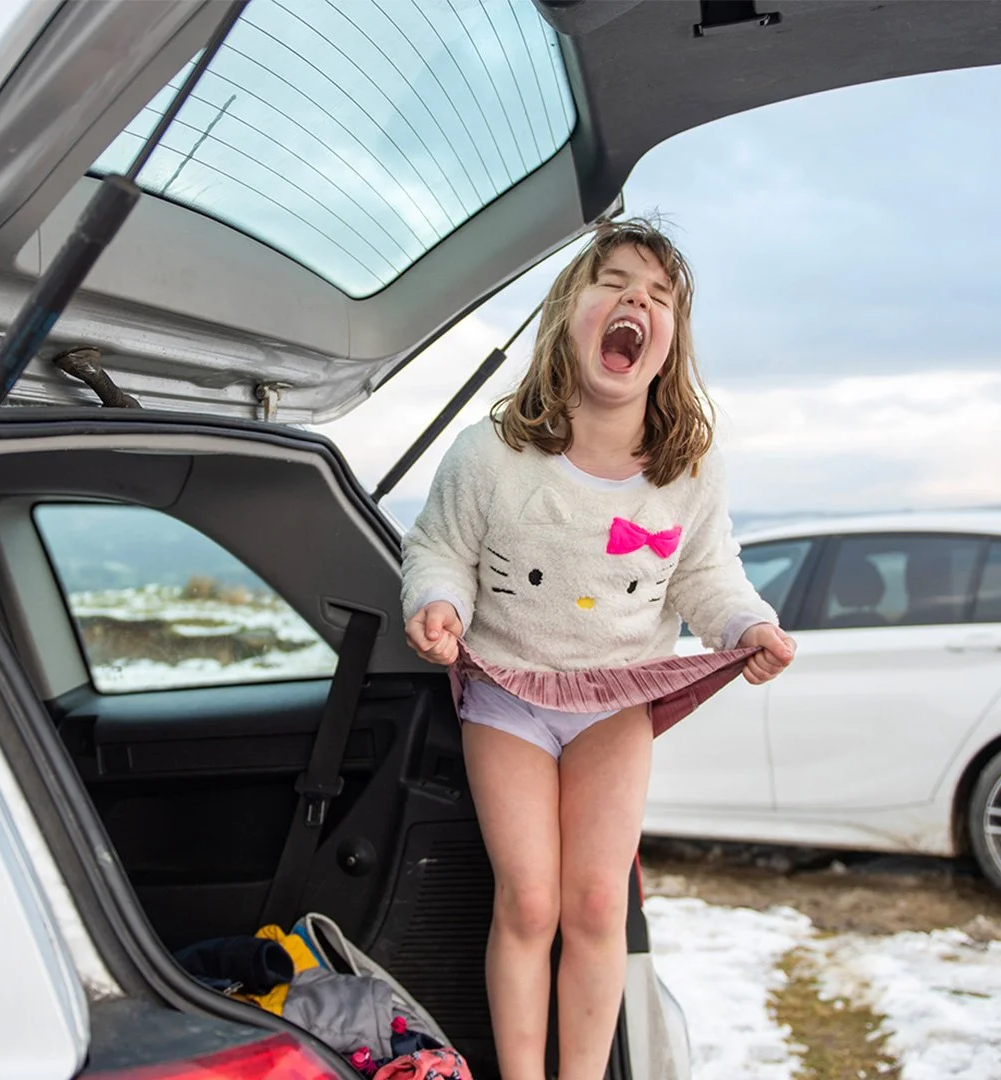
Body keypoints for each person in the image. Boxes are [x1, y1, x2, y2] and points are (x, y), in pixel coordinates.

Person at [399, 218, 795, 1079]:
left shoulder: (687, 468)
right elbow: (439, 551)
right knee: (532, 900)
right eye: (613, 283)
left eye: (658, 298)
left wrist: (746, 627)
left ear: (667, 347)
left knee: (592, 902)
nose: (634, 304)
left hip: (617, 695)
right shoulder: (492, 454)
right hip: (507, 689)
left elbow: (708, 576)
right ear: (568, 314)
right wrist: (436, 603)